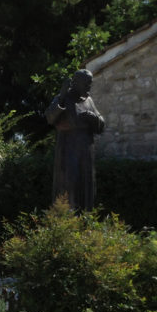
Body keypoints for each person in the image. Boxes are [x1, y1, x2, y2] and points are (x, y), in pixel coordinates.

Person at [44, 69, 105, 211]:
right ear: (76, 83)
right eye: (87, 83)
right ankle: (67, 223)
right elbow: (50, 117)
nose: (89, 86)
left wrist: (93, 118)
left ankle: (86, 219)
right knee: (69, 185)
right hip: (68, 151)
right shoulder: (64, 98)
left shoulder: (89, 100)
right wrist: (61, 98)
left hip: (86, 151)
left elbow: (101, 124)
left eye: (90, 83)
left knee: (87, 185)